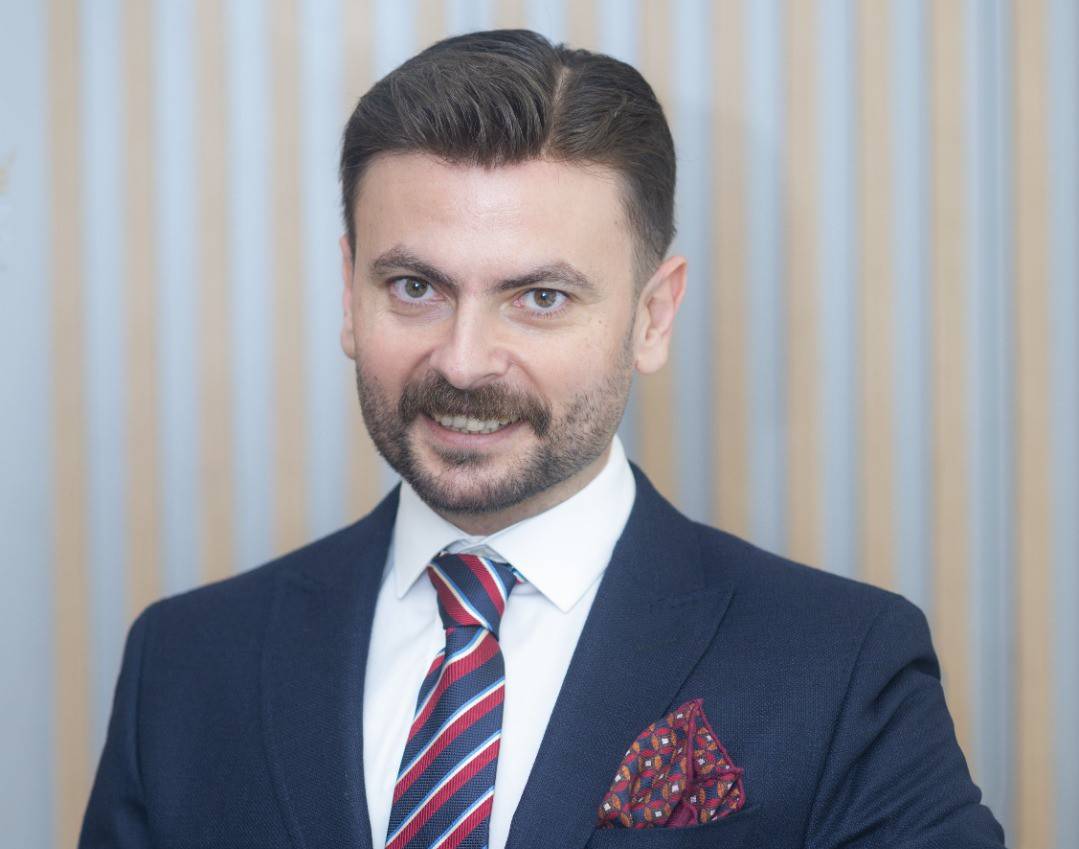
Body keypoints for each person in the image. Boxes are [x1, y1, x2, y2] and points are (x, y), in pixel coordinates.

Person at [80, 29, 1005, 849]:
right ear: (349, 291)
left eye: (540, 297)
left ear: (652, 315)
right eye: (414, 287)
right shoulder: (183, 663)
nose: (464, 361)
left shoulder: (839, 665)